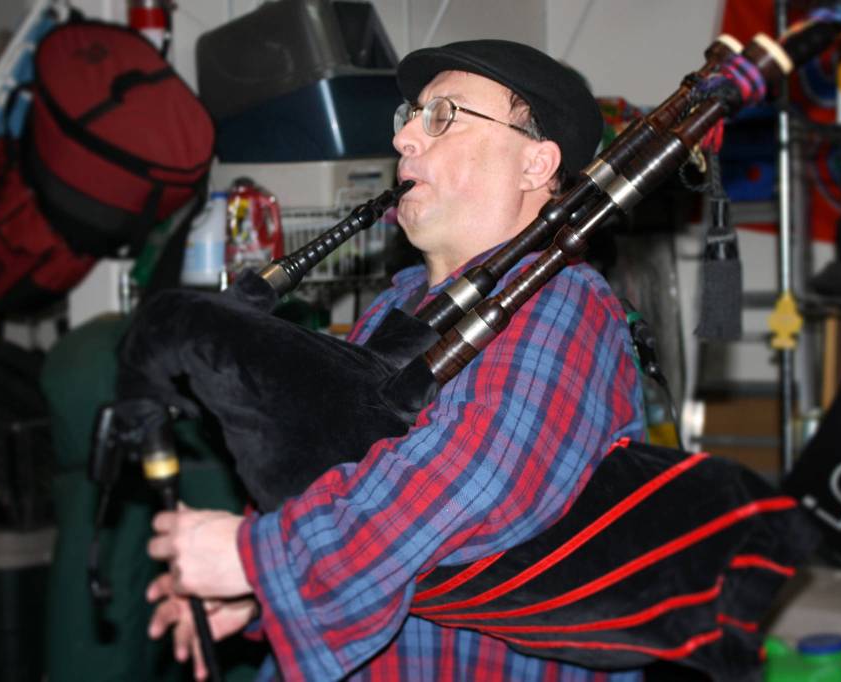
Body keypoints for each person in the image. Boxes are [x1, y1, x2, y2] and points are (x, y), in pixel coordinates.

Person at [146, 39, 646, 681]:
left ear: (534, 164)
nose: (405, 136)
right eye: (411, 115)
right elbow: (325, 465)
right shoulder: (397, 305)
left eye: (443, 116)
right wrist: (256, 597)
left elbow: (468, 483)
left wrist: (255, 559)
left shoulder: (564, 303)